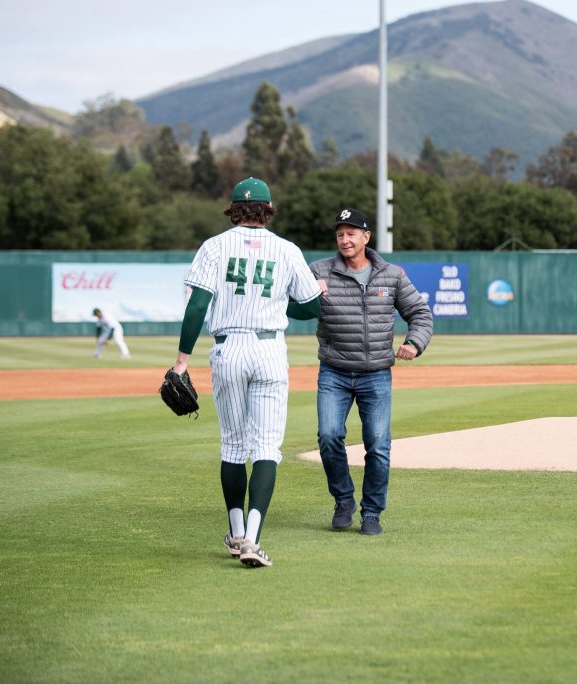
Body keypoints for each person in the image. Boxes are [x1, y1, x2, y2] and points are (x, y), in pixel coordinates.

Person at [170, 177, 321, 568]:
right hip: (270, 348)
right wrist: (287, 299)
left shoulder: (215, 246)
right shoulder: (287, 250)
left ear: (234, 210)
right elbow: (309, 307)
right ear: (269, 210)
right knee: (267, 448)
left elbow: (197, 306)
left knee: (234, 447)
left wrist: (182, 361)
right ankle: (253, 540)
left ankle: (236, 534)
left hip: (228, 348)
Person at [305, 207, 433, 536]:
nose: (344, 239)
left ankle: (372, 512)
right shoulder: (319, 270)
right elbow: (294, 306)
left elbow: (420, 312)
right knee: (329, 436)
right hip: (333, 371)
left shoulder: (391, 275)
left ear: (366, 237)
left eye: (351, 233)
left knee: (378, 444)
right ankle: (343, 500)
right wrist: (309, 294)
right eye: (339, 234)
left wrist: (415, 343)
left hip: (376, 373)